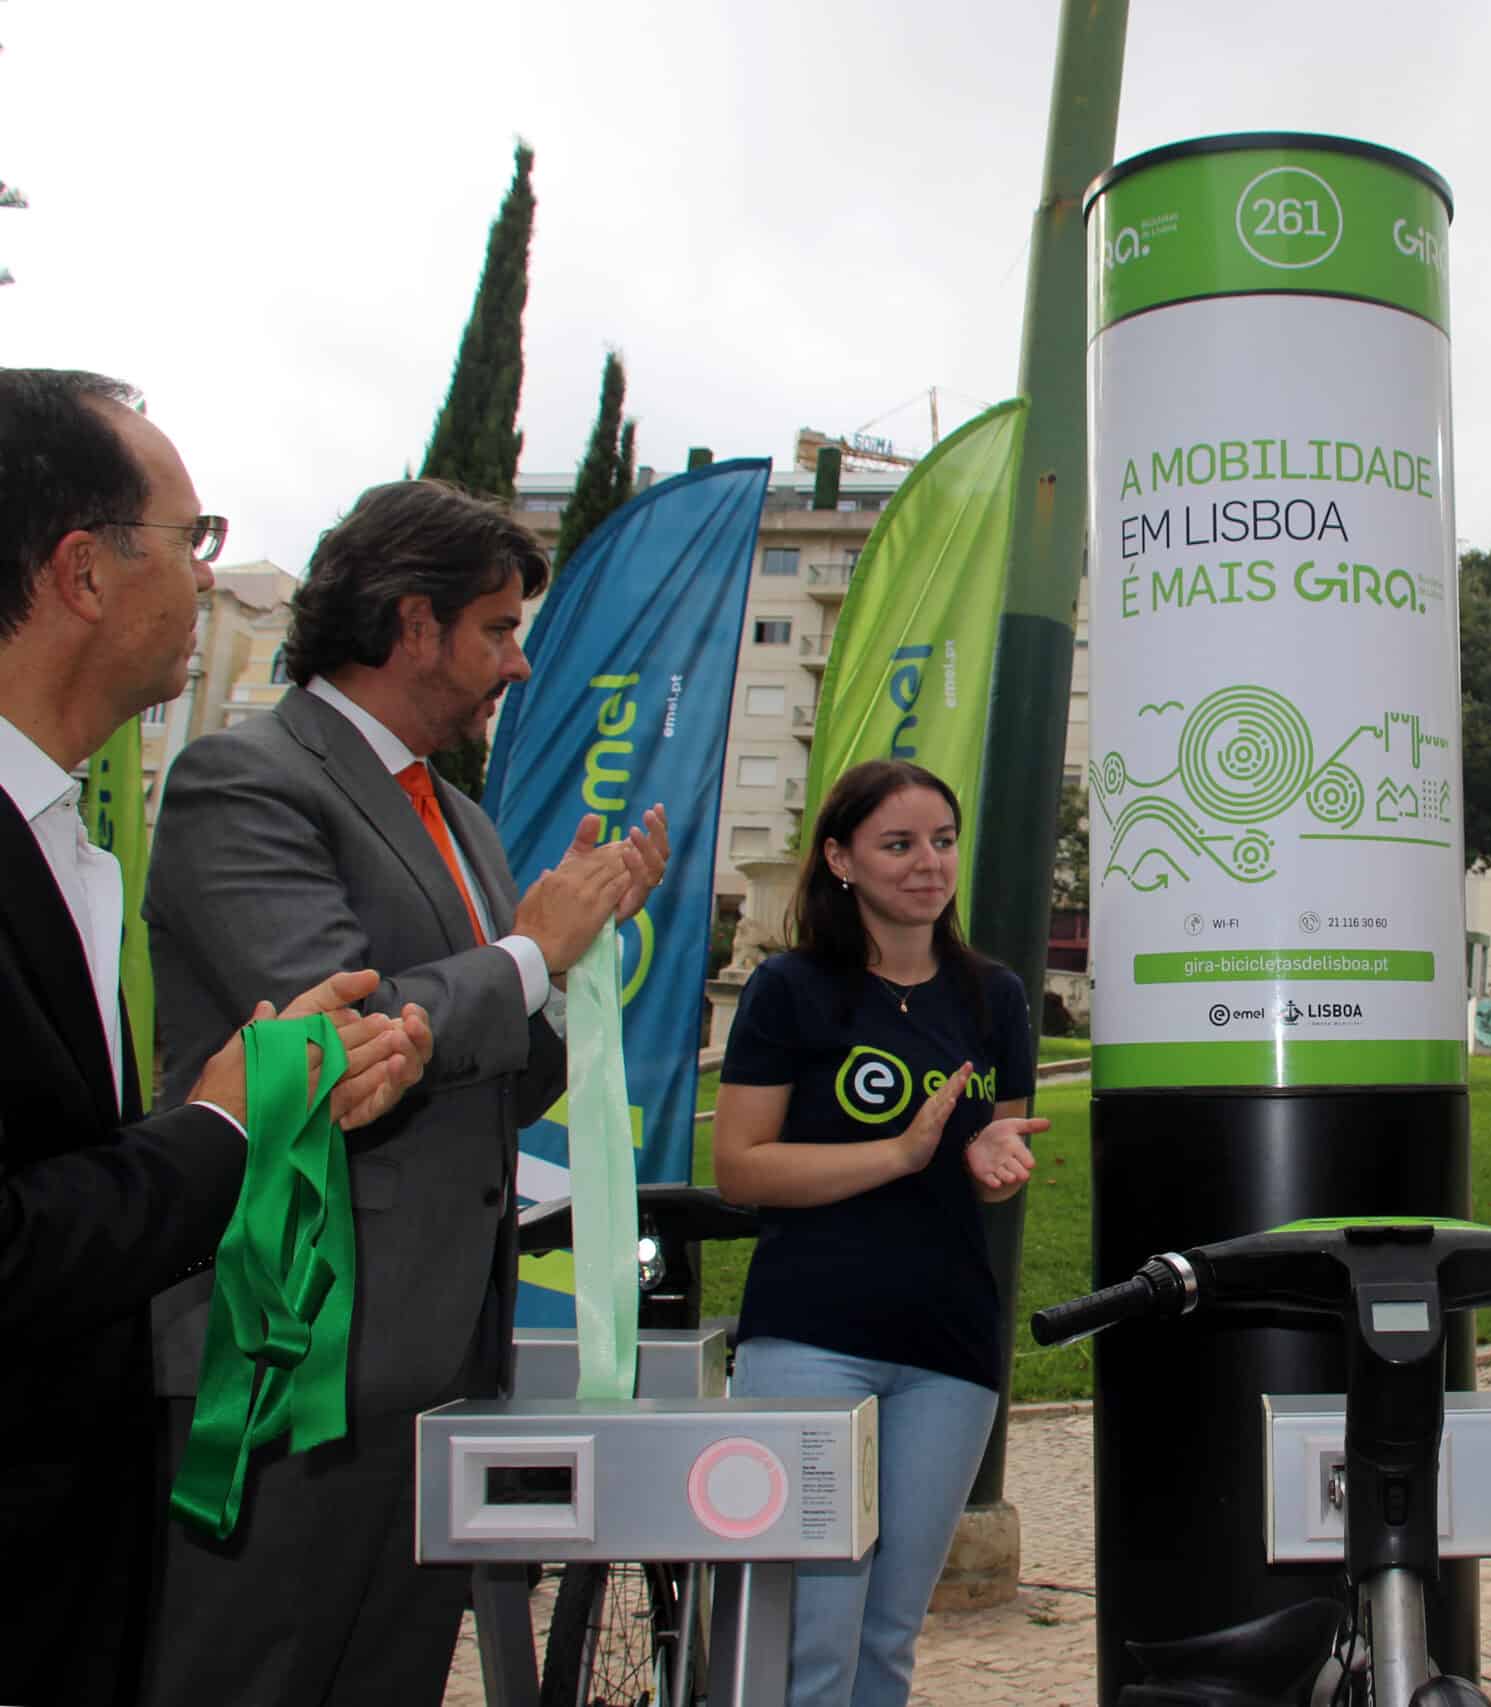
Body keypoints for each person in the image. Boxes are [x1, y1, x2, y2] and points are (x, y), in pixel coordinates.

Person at [140, 479, 669, 1707]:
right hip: (293, 1358)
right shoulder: (244, 779)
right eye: (499, 630)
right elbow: (337, 1040)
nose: (518, 666)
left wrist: (566, 974)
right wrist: (529, 952)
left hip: (438, 1364)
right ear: (413, 624)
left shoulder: (463, 821)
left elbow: (493, 1085)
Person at [0, 369, 431, 1707]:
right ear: (83, 570)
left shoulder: (66, 842)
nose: (205, 576)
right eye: (190, 539)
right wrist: (224, 1126)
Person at [714, 759, 1047, 1707]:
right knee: (812, 1637)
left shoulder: (996, 997)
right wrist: (898, 1154)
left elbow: (994, 1152)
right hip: (809, 1339)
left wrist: (989, 1163)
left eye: (942, 841)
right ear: (840, 858)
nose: (928, 863)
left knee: (890, 1634)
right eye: (898, 843)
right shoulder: (789, 987)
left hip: (949, 1350)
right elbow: (741, 1165)